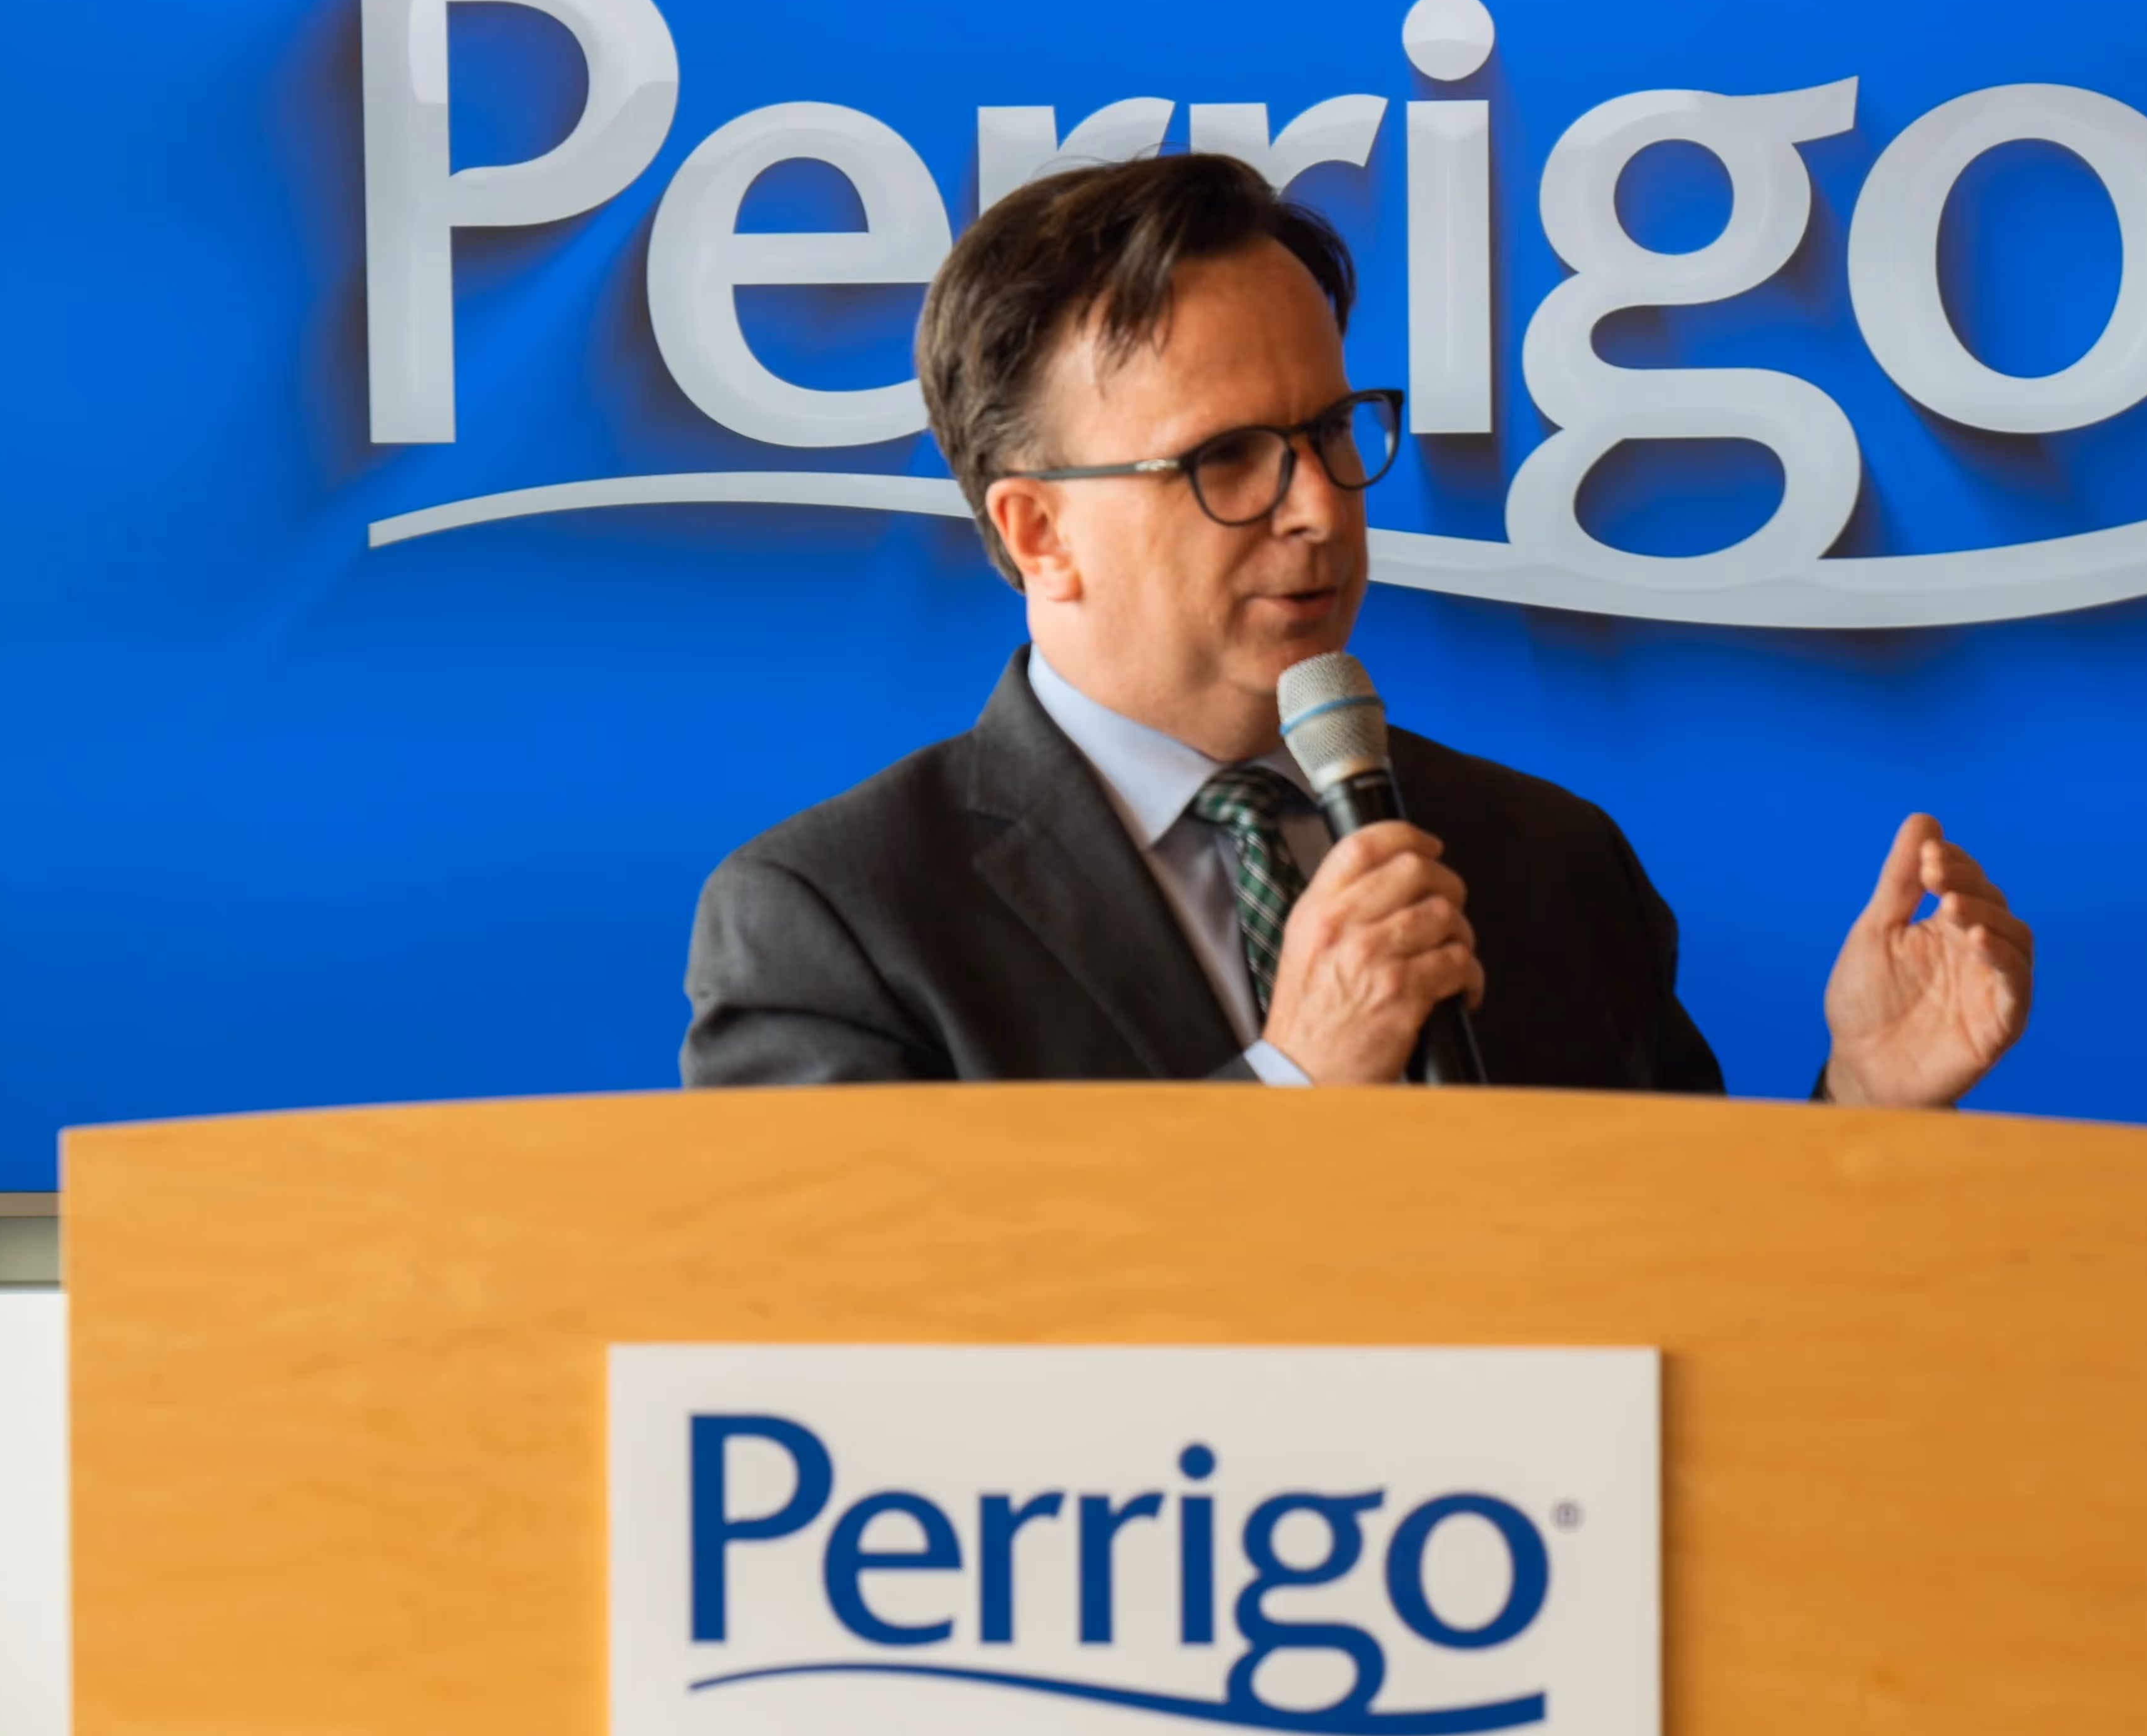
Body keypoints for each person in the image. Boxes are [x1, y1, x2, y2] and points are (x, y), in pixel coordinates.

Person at [680, 152, 2031, 1102]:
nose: (1321, 507)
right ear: (1039, 532)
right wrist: (1292, 1085)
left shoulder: (1549, 862)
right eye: (1227, 458)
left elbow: (1685, 1299)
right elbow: (853, 1350)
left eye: (1331, 431)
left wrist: (1864, 1108)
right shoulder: (834, 919)